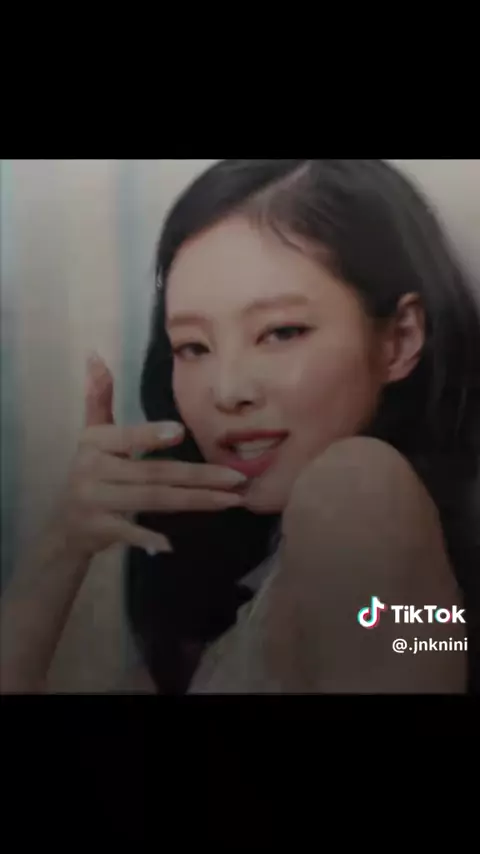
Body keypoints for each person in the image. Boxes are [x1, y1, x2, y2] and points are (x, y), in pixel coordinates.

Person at [2, 159, 479, 694]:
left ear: (400, 339)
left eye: (280, 332)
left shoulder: (358, 488)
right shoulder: (254, 589)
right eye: (193, 347)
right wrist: (64, 542)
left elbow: (413, 639)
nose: (227, 391)